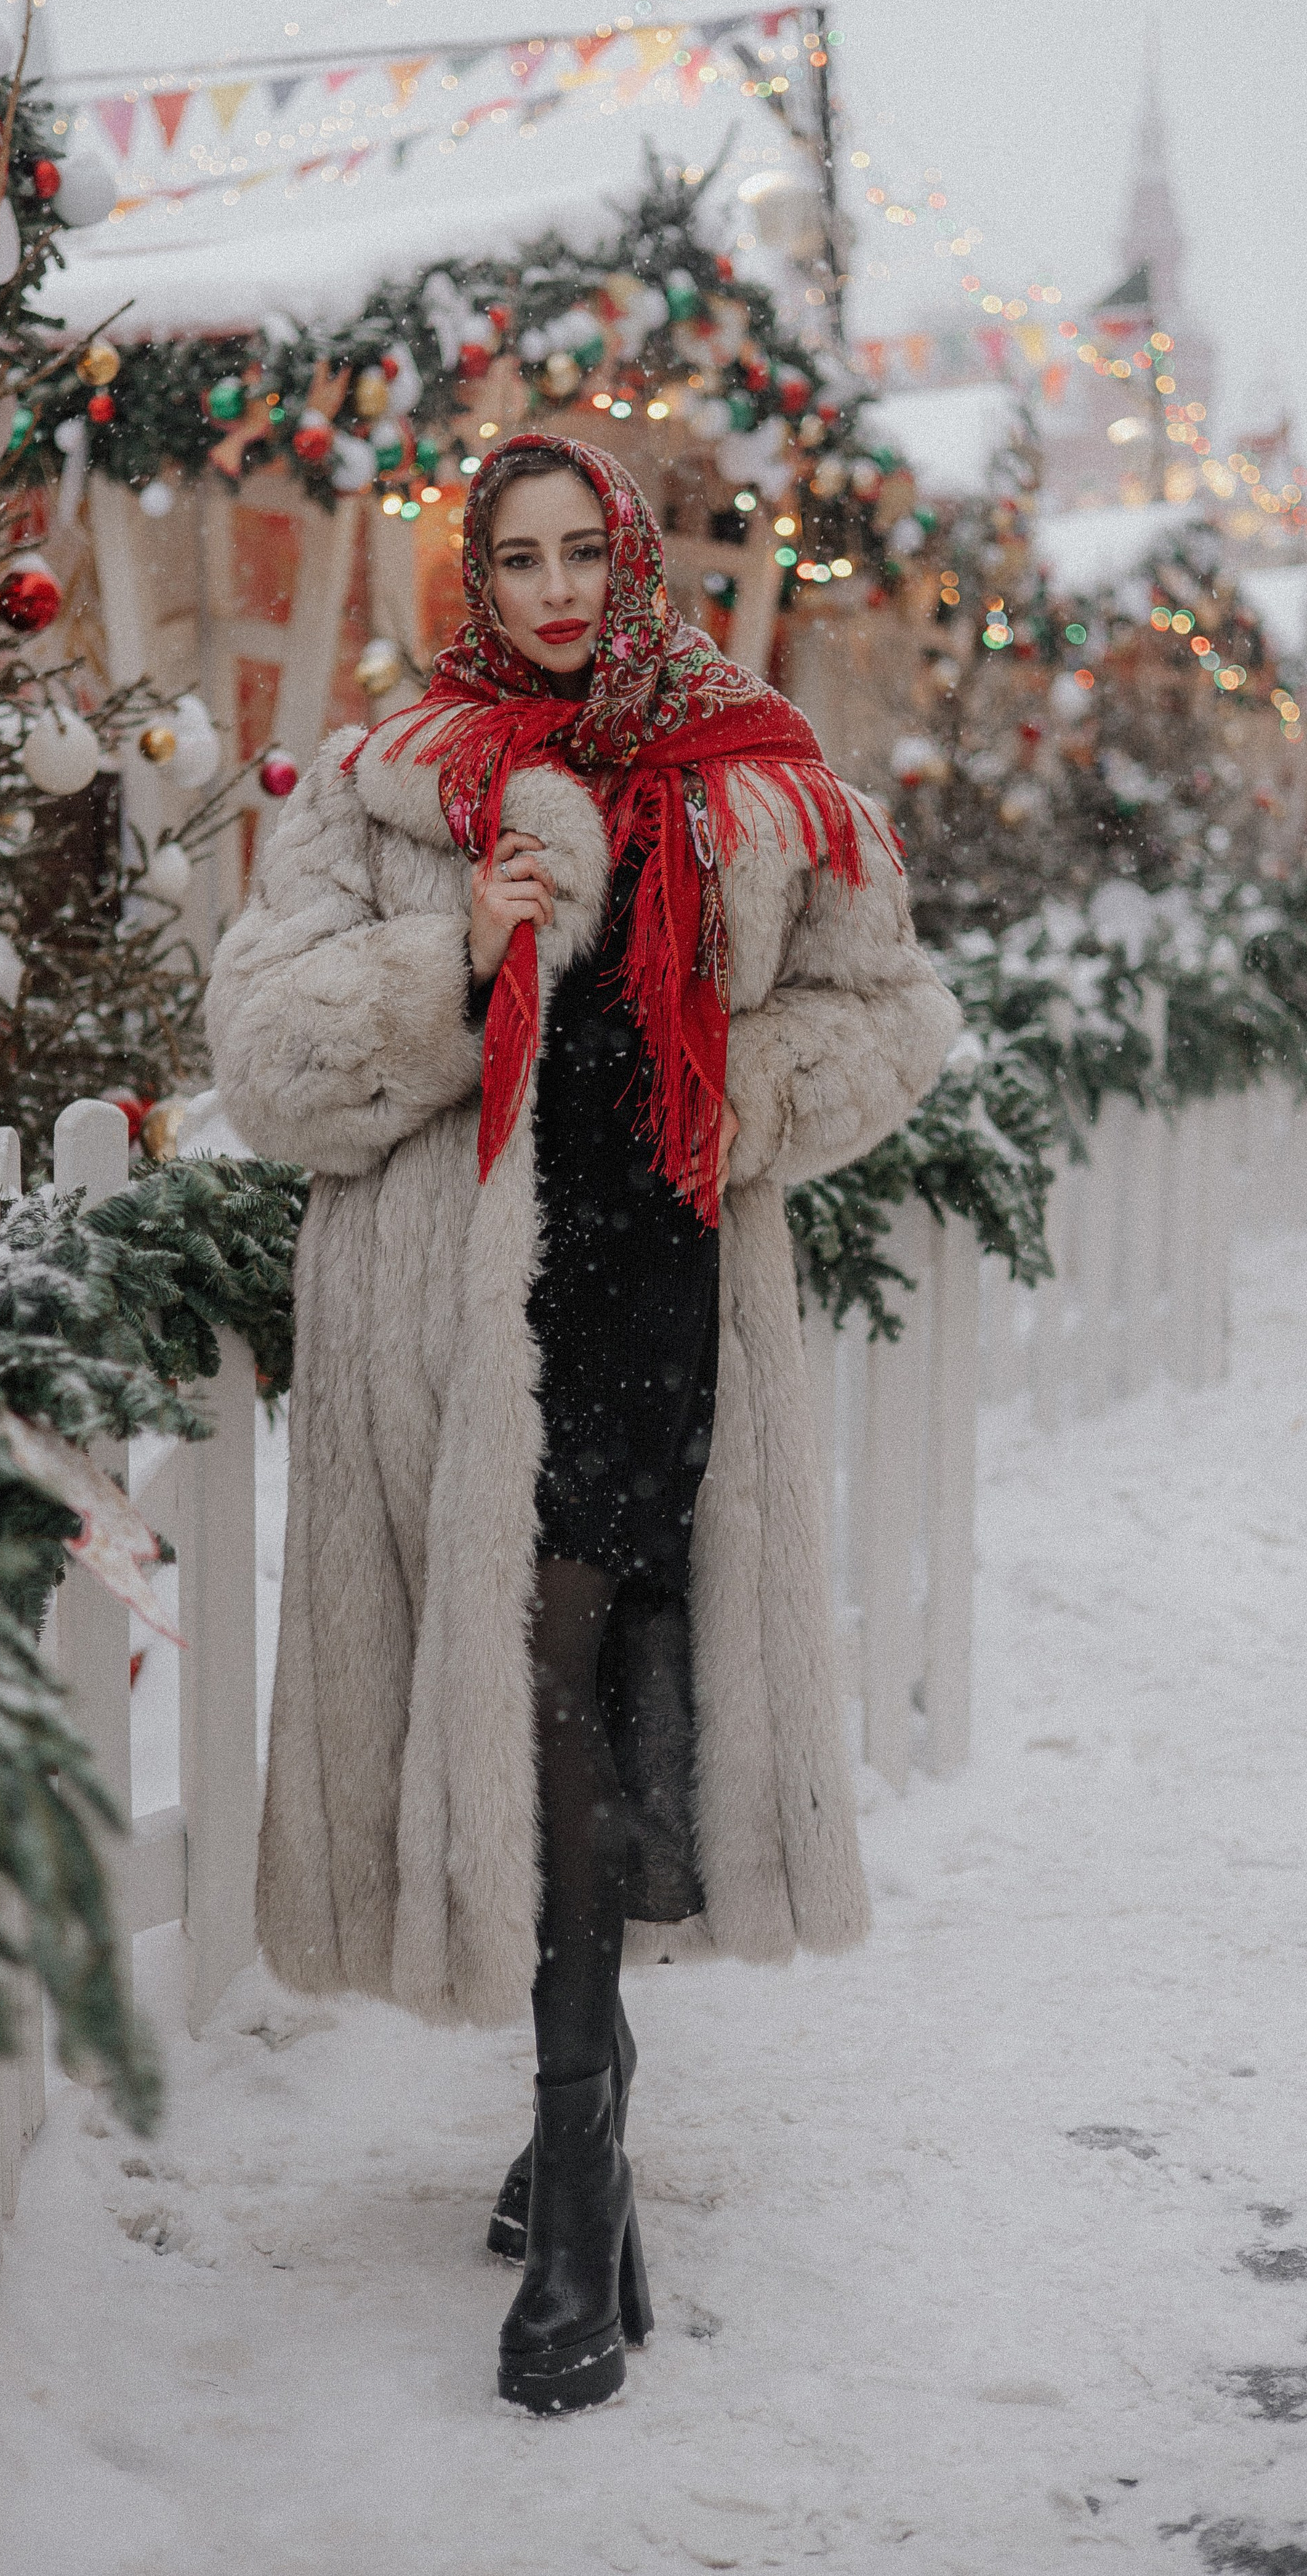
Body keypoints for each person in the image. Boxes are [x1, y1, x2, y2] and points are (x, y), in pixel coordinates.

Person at [206, 434, 959, 2414]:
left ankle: (583, 2106)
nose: (549, 589)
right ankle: (588, 2161)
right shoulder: (395, 783)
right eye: (513, 558)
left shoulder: (764, 779)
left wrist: (750, 1096)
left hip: (670, 1299)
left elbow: (894, 1021)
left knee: (623, 1681)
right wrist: (449, 962)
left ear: (626, 564)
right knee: (534, 1682)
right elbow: (267, 1058)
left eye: (576, 554)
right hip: (467, 1331)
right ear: (478, 577)